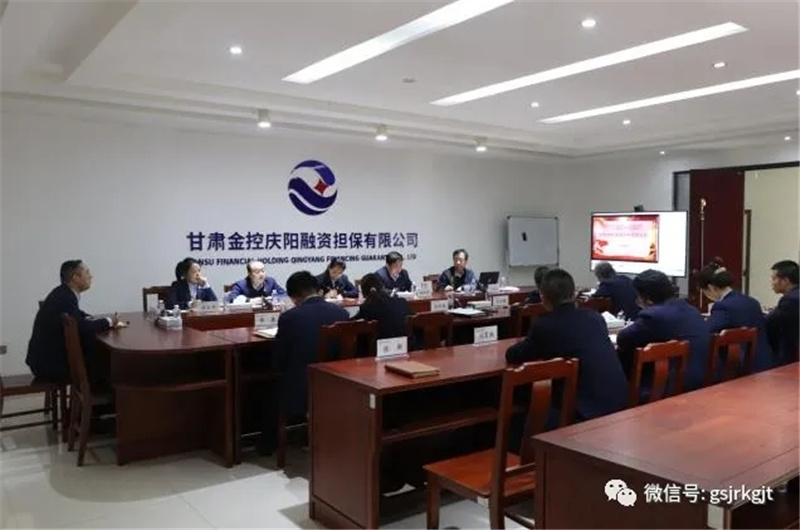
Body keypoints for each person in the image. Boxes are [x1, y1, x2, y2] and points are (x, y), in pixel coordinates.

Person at [506, 268, 628, 423]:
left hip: (584, 411)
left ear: (543, 297)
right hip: (619, 400)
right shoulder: (595, 317)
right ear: (574, 294)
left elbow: (514, 355)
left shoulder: (545, 325)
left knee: (525, 406)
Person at [26, 260, 122, 386]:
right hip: (50, 366)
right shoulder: (66, 298)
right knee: (106, 364)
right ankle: (98, 395)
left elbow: (77, 315)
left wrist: (94, 318)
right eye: (87, 272)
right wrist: (109, 321)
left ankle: (97, 394)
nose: (91, 276)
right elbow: (81, 328)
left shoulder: (62, 292)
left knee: (99, 355)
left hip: (43, 360)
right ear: (75, 278)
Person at [616, 269, 710, 393]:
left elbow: (623, 339)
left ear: (647, 298)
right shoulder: (690, 309)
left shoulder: (653, 315)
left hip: (670, 387)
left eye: (638, 297)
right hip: (704, 380)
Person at [272, 271, 350, 421]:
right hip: (338, 380)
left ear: (294, 297)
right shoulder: (342, 313)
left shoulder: (290, 317)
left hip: (302, 386)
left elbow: (279, 360)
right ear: (317, 289)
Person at [696, 260, 773, 374]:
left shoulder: (722, 306)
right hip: (764, 361)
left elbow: (706, 332)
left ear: (710, 287)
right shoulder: (751, 301)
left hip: (745, 368)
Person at [351, 273, 414, 340]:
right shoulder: (402, 302)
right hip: (406, 344)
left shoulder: (367, 307)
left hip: (380, 345)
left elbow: (350, 323)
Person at [766, 260, 799, 366]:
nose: (772, 283)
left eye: (774, 279)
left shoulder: (790, 299)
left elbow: (769, 322)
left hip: (790, 356)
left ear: (785, 280)